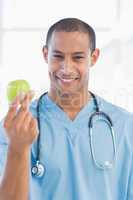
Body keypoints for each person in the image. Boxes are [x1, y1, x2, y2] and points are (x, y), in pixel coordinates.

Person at [0, 18, 133, 200]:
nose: (66, 68)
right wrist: (18, 148)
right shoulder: (16, 128)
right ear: (46, 54)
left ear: (93, 57)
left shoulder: (125, 126)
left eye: (77, 57)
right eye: (58, 56)